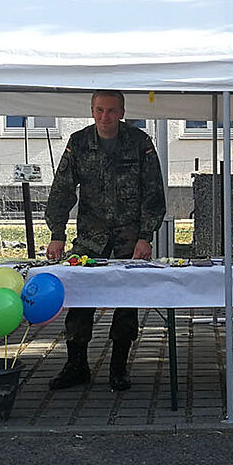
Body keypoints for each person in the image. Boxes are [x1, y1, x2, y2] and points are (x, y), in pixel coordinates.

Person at [45, 90, 166, 391]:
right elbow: (62, 190)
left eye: (111, 111)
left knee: (127, 299)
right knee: (79, 295)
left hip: (129, 236)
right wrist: (57, 234)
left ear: (122, 112)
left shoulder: (140, 143)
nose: (105, 117)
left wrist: (145, 236)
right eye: (99, 110)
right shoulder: (79, 142)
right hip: (91, 236)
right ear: (91, 110)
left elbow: (153, 193)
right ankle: (77, 364)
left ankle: (118, 365)